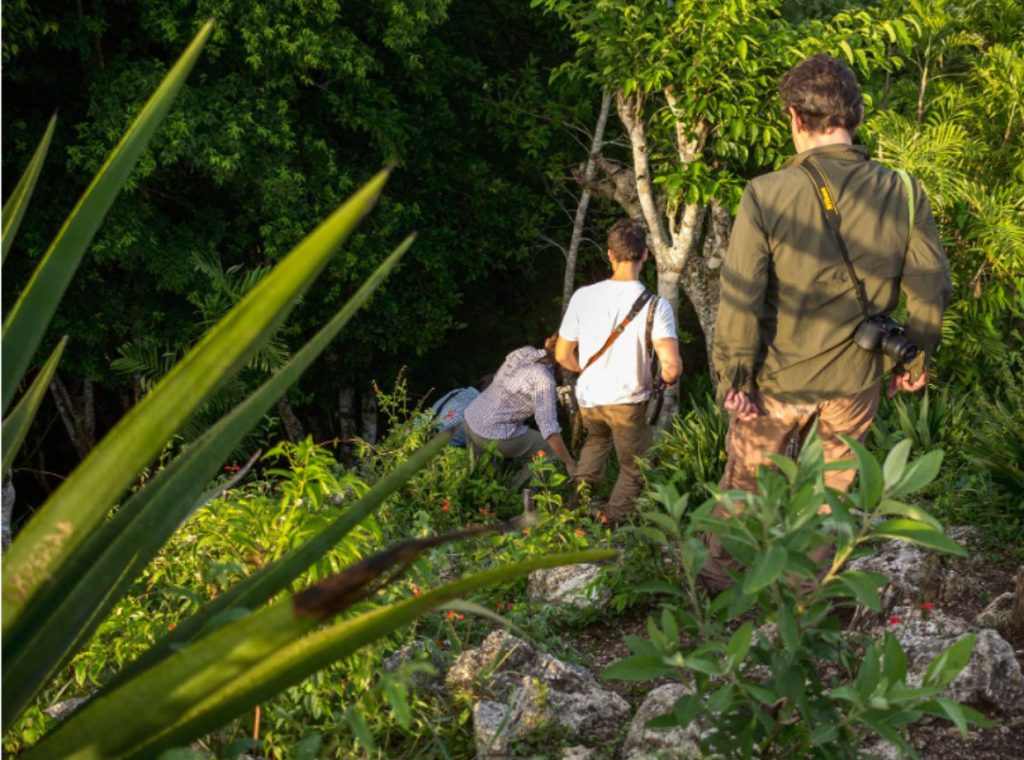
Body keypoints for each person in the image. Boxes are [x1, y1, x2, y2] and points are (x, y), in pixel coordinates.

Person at [703, 53, 952, 592]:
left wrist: (734, 377)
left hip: (775, 381)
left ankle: (723, 598)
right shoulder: (903, 190)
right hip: (855, 380)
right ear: (856, 116)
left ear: (795, 118)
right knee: (830, 493)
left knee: (746, 490)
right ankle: (806, 598)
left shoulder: (767, 193)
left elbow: (742, 295)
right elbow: (931, 284)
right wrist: (916, 356)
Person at [556, 219, 683, 523]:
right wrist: (662, 381)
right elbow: (671, 367)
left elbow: (562, 354)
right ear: (645, 255)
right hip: (628, 399)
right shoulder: (656, 306)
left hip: (591, 399)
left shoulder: (583, 297)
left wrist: (586, 370)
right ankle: (613, 523)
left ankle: (576, 509)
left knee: (596, 442)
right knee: (634, 467)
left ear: (610, 255)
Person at [463, 335, 575, 481]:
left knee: (480, 477)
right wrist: (569, 463)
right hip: (491, 432)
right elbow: (549, 429)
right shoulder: (544, 380)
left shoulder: (524, 351)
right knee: (548, 451)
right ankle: (517, 492)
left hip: (471, 417)